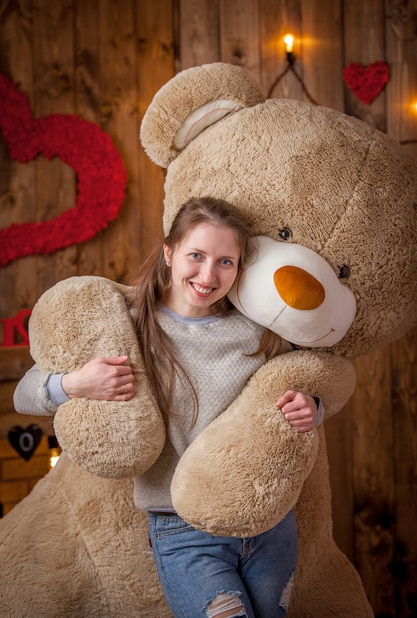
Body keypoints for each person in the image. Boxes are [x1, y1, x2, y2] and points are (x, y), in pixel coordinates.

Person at [14, 197, 323, 618]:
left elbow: (304, 388)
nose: (208, 275)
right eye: (196, 255)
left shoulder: (258, 331)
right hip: (181, 527)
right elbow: (24, 395)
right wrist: (75, 383)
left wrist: (312, 408)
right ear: (169, 252)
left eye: (225, 262)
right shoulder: (127, 323)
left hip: (268, 522)